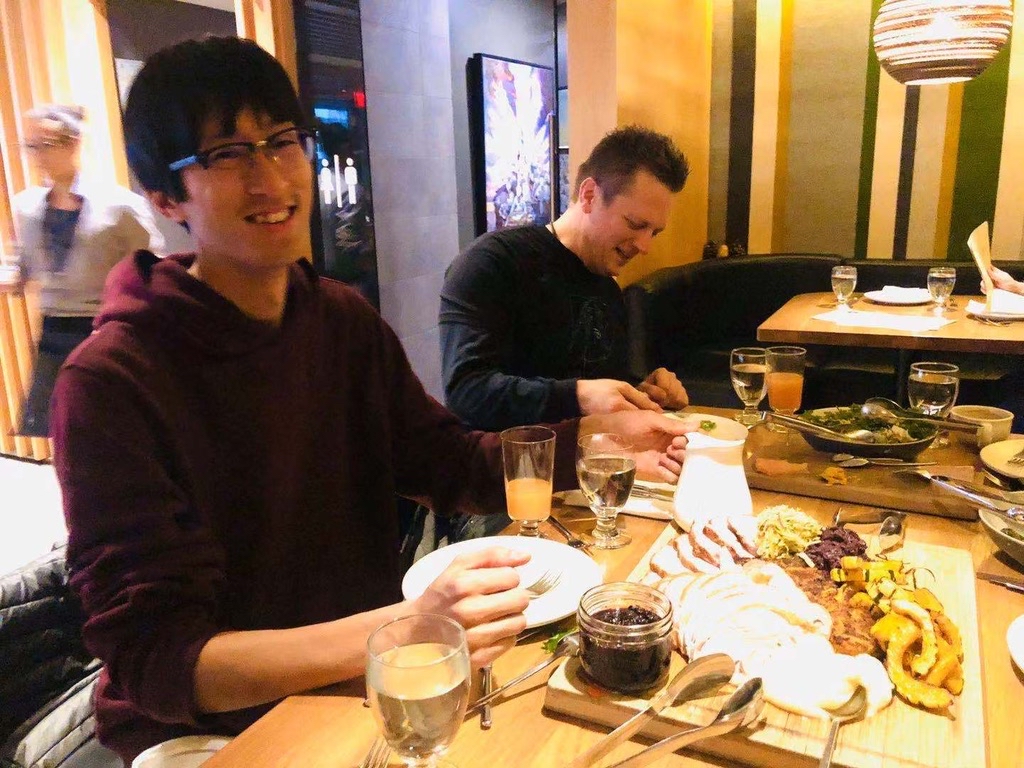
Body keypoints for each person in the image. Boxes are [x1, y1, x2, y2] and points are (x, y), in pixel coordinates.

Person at [49, 36, 691, 764]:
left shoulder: (339, 319)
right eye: (227, 154)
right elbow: (162, 662)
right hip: (210, 731)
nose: (270, 178)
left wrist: (597, 441)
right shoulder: (112, 381)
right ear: (165, 197)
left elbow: (448, 463)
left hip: (366, 680)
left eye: (282, 142)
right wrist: (407, 626)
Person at [437, 126, 692, 541]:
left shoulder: (607, 288)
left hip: (589, 487)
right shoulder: (491, 264)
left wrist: (643, 391)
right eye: (635, 224)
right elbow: (467, 393)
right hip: (501, 497)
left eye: (655, 232)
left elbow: (600, 383)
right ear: (589, 195)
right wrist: (579, 395)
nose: (645, 245)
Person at [2, 104, 163, 437]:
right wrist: (11, 277)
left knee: (112, 428)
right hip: (53, 330)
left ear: (73, 143)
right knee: (61, 431)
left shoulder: (118, 205)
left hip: (106, 327)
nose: (37, 155)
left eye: (46, 144)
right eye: (31, 146)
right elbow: (23, 269)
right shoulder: (27, 207)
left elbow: (153, 269)